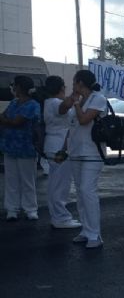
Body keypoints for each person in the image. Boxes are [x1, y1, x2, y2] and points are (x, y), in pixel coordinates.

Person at [65, 70, 109, 248]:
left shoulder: (98, 98)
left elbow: (83, 119)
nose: (73, 86)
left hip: (92, 152)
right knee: (81, 193)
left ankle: (95, 234)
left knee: (87, 190)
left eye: (74, 82)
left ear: (81, 83)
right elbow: (70, 123)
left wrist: (76, 104)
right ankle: (85, 229)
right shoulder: (79, 99)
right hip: (76, 151)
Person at [38, 76, 81, 229]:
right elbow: (63, 108)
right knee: (61, 185)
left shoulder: (48, 102)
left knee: (54, 184)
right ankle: (61, 218)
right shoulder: (55, 103)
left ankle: (58, 216)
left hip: (53, 145)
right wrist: (75, 95)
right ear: (61, 88)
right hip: (60, 147)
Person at [0, 75, 41, 221]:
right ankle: (12, 209)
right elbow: (5, 118)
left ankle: (30, 209)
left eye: (14, 85)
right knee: (11, 179)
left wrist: (6, 121)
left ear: (19, 87)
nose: (12, 88)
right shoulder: (14, 102)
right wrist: (7, 121)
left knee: (27, 180)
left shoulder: (33, 105)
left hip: (26, 147)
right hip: (10, 146)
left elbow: (16, 121)